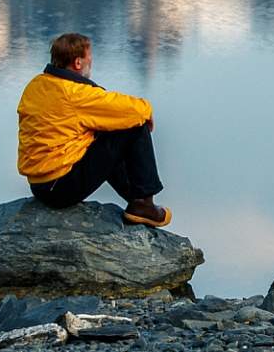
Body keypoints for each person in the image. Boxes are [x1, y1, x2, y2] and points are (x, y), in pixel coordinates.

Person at [16, 32, 171, 226]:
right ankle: (143, 204)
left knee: (105, 128)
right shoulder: (74, 93)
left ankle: (135, 199)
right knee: (134, 126)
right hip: (61, 188)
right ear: (78, 63)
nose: (92, 62)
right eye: (90, 57)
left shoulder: (36, 85)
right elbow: (128, 108)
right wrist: (146, 112)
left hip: (40, 186)